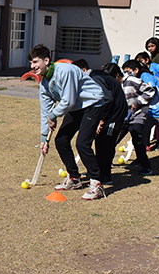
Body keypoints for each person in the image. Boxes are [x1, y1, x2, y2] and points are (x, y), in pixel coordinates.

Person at [29, 45, 107, 200]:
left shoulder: (65, 70)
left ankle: (96, 183)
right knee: (61, 140)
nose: (33, 66)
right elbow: (46, 112)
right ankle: (74, 178)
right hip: (76, 107)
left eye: (36, 62)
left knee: (82, 144)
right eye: (31, 63)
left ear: (46, 60)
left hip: (92, 103)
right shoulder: (44, 84)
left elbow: (68, 100)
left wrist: (53, 115)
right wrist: (44, 138)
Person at [73, 59, 129, 185]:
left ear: (84, 71)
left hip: (115, 115)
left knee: (107, 144)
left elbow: (107, 99)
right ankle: (98, 172)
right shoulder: (95, 76)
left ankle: (106, 176)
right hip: (108, 114)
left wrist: (102, 120)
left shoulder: (95, 78)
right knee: (100, 142)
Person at [123, 59, 159, 168]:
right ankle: (141, 158)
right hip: (150, 111)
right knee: (141, 136)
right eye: (124, 72)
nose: (126, 75)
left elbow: (150, 91)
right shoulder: (134, 79)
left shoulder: (146, 76)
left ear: (136, 70)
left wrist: (138, 102)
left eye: (128, 71)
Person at [104, 62, 155, 176]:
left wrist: (138, 102)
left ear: (118, 75)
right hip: (124, 116)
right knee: (113, 139)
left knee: (137, 140)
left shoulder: (132, 80)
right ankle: (106, 163)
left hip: (138, 115)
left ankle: (146, 166)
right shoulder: (116, 85)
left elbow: (150, 91)